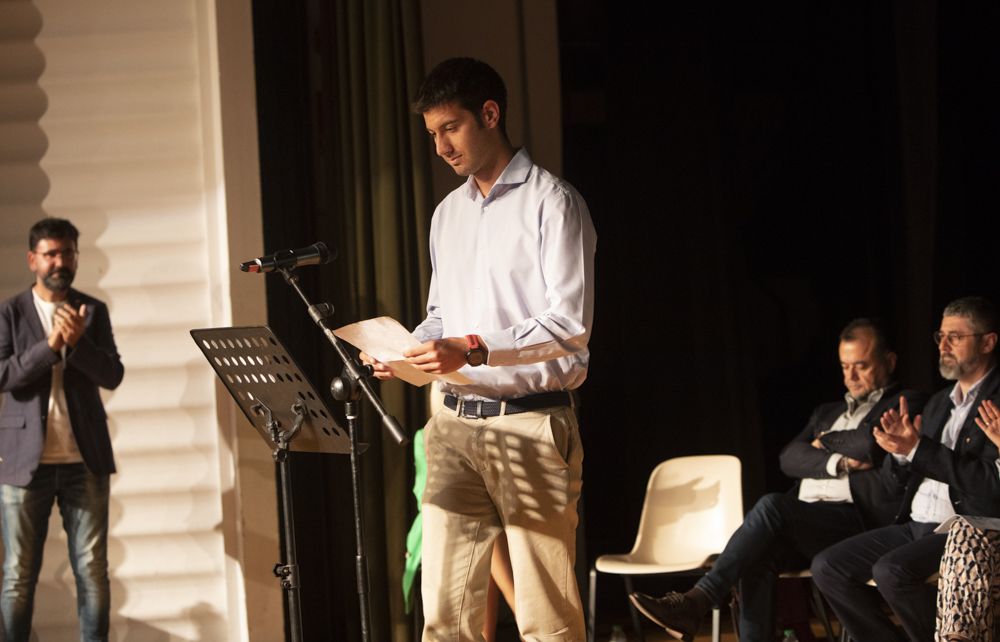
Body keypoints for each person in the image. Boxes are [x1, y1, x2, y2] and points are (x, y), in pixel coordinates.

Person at [364, 57, 596, 641]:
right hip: (451, 425)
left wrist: (470, 348)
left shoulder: (553, 203)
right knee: (444, 614)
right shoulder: (448, 214)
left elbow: (568, 326)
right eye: (432, 134)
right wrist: (407, 350)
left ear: (489, 115)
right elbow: (442, 314)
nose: (440, 146)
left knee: (545, 613)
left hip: (530, 423)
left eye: (450, 128)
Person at [628, 319, 924, 641]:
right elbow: (788, 458)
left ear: (889, 362)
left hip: (856, 520)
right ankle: (698, 608)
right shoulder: (827, 411)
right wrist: (840, 460)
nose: (850, 376)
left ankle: (698, 601)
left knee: (772, 505)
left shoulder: (907, 402)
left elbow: (870, 443)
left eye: (861, 366)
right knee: (757, 555)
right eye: (844, 366)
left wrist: (822, 442)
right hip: (805, 519)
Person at [811, 296, 1000, 642]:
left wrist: (917, 449)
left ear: (988, 342)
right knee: (827, 567)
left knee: (892, 571)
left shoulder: (996, 402)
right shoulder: (939, 402)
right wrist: (899, 454)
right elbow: (897, 483)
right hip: (915, 523)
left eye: (955, 337)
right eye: (940, 336)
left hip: (965, 529)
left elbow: (989, 485)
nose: (943, 345)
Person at [0, 218, 124, 642]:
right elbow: (4, 377)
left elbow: (111, 375)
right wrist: (50, 347)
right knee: (17, 574)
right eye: (51, 253)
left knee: (92, 572)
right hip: (23, 463)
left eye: (67, 252)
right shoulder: (10, 312)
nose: (60, 261)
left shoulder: (93, 310)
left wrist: (78, 343)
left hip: (83, 459)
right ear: (32, 259)